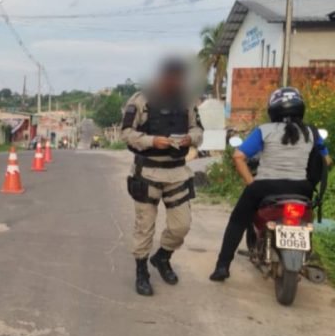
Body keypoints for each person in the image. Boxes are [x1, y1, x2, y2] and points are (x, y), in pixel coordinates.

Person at [210, 87, 330, 281]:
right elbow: (326, 162)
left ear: (273, 110)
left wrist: (251, 183)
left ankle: (222, 266)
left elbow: (238, 156)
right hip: (301, 188)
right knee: (306, 218)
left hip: (266, 186)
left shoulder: (264, 130)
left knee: (237, 221)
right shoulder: (311, 132)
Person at [122, 58, 204, 296]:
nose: (175, 83)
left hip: (177, 172)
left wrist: (191, 139)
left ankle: (162, 257)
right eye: (172, 79)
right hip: (147, 172)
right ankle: (141, 272)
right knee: (144, 227)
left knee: (181, 226)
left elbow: (198, 128)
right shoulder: (141, 100)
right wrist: (151, 141)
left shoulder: (186, 101)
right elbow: (126, 133)